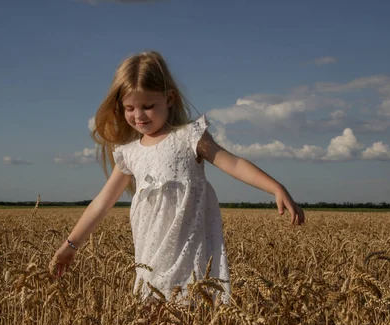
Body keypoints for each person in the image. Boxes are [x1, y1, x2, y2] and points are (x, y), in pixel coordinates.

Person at [50, 50, 305, 304]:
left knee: (187, 319)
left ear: (169, 99)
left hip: (189, 251)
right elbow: (101, 203)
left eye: (148, 106)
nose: (138, 116)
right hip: (150, 255)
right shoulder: (129, 154)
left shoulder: (189, 137)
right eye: (129, 108)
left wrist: (275, 187)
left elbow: (234, 163)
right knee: (154, 319)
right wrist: (71, 245)